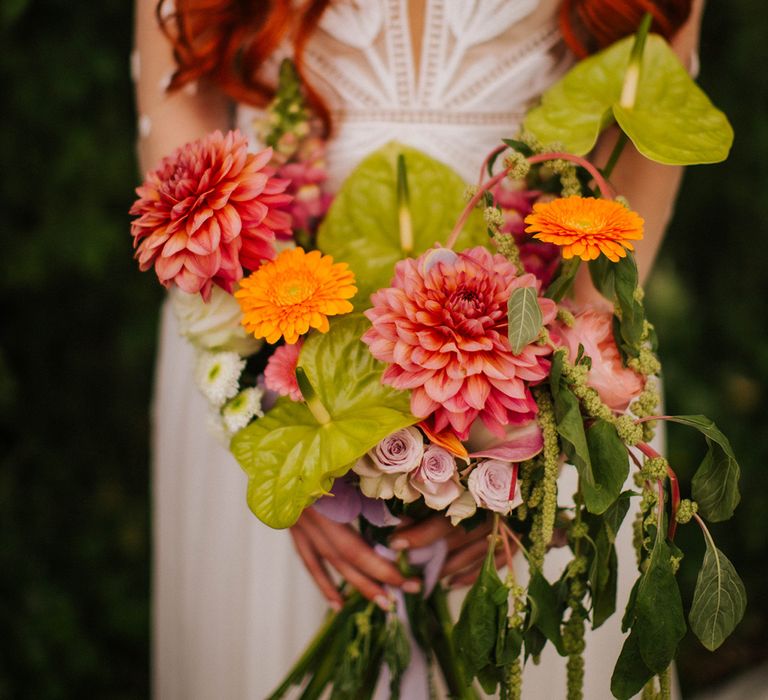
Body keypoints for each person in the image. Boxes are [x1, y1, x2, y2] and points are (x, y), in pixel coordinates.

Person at [133, 0, 704, 696]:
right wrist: (282, 435)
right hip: (270, 345)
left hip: (543, 343)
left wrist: (544, 431)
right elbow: (178, 119)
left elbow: (654, 113)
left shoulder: (551, 390)